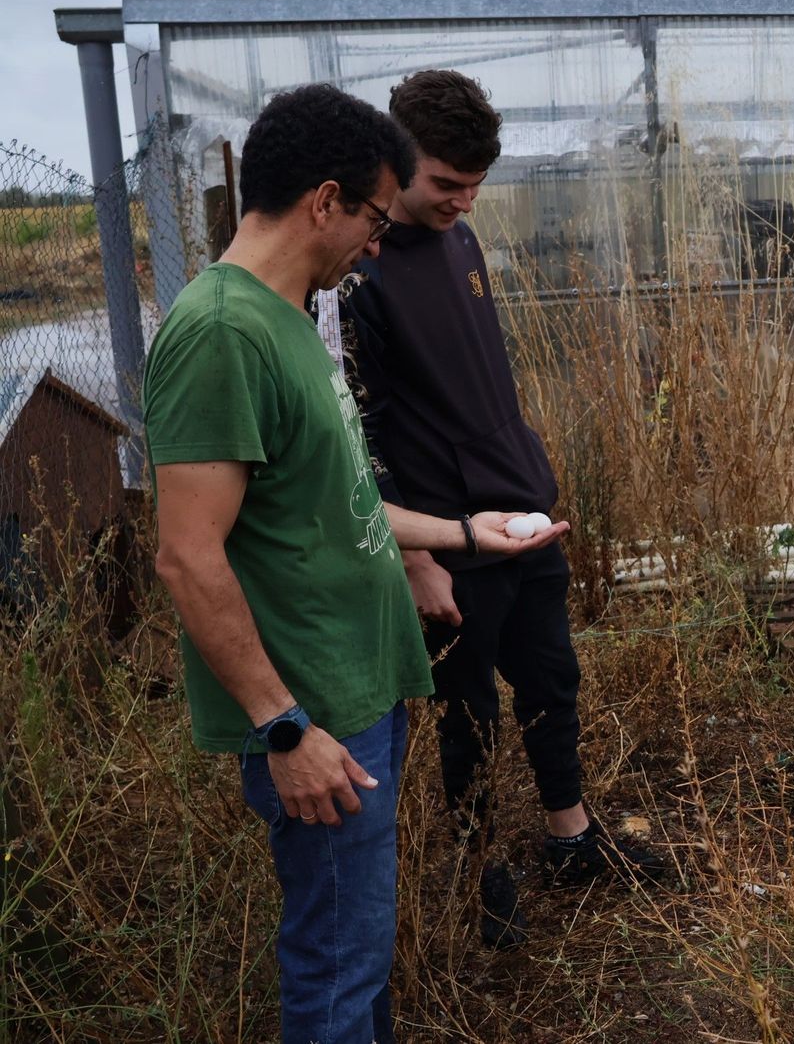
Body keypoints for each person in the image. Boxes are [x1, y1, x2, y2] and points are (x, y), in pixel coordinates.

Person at [143, 84, 566, 1043]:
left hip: (356, 695)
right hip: (315, 715)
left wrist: (465, 533)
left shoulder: (287, 315)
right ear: (323, 201)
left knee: (358, 955)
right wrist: (283, 728)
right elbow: (185, 555)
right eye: (374, 216)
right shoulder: (220, 332)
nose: (378, 243)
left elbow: (341, 503)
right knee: (334, 970)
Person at [341, 69, 662, 949]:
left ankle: (572, 836)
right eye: (446, 185)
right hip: (449, 536)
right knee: (467, 711)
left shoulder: (463, 241)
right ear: (395, 161)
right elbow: (362, 431)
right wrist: (416, 556)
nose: (463, 201)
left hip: (520, 511)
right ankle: (482, 869)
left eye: (476, 185)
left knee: (552, 678)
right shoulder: (357, 276)